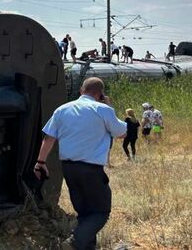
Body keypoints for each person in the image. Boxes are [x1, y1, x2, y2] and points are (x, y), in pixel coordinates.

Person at [34, 77, 126, 250]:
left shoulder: (62, 109)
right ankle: (74, 242)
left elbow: (49, 138)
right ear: (100, 94)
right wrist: (109, 107)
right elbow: (121, 133)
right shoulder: (103, 109)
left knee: (84, 212)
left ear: (81, 91)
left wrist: (40, 162)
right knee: (100, 211)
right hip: (91, 169)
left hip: (69, 168)